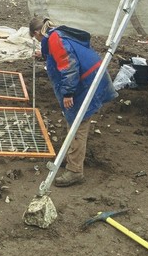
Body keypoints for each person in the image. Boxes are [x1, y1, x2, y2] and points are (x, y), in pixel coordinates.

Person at [29, 17, 118, 188]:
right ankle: (70, 158)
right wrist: (44, 55)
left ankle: (75, 170)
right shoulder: (59, 34)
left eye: (35, 39)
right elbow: (64, 54)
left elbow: (69, 65)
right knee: (75, 121)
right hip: (92, 74)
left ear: (36, 33)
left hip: (87, 80)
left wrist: (68, 93)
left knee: (78, 123)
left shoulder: (55, 39)